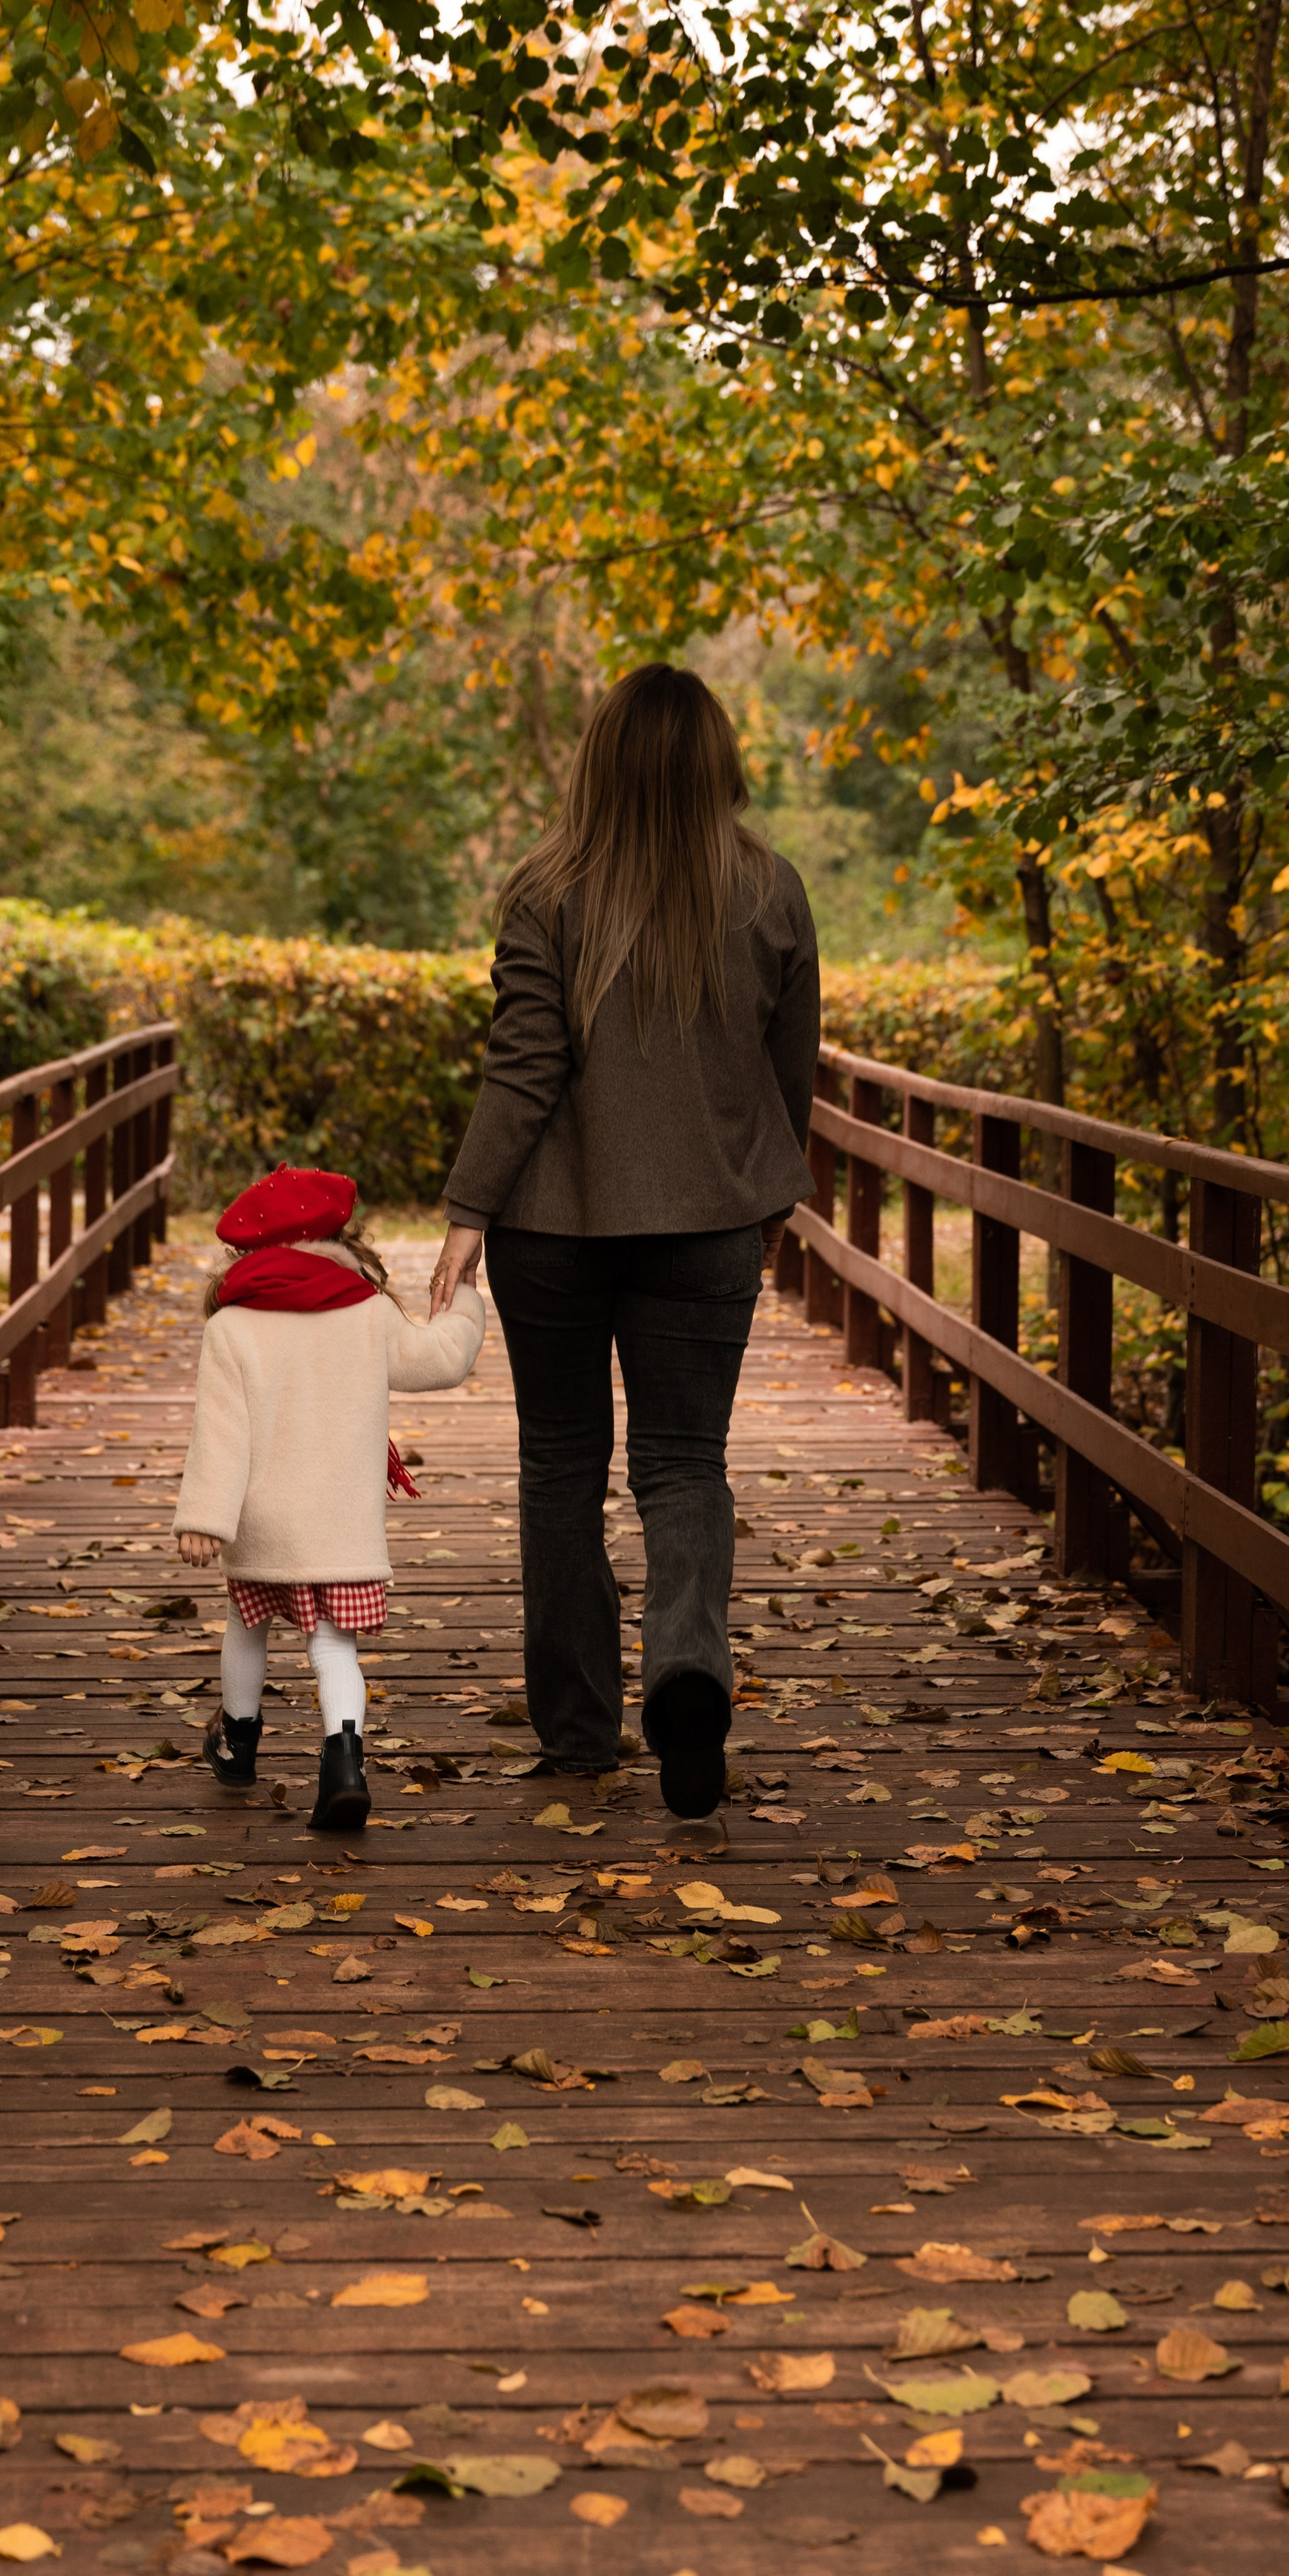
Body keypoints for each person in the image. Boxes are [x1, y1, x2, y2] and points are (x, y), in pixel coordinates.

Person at [429, 662, 819, 1822]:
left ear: (597, 757)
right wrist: (766, 1191)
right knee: (684, 1462)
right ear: (718, 761)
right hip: (708, 1222)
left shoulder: (547, 889)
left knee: (561, 1466)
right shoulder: (772, 890)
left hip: (552, 1226)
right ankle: (689, 1669)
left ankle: (581, 1732)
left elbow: (524, 1066)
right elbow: (788, 1073)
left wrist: (467, 1208)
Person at [173, 1163, 485, 1828]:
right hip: (339, 1527)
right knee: (334, 1648)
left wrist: (205, 1517)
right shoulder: (368, 1314)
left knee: (247, 1626)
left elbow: (221, 1433)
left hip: (262, 1524)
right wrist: (466, 1296)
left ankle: (237, 1742)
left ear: (249, 1250)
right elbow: (443, 1357)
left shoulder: (231, 1327)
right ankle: (344, 1761)